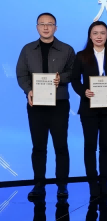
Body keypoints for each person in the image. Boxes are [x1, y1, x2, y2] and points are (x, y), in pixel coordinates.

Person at [16, 12, 75, 199]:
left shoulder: (67, 49)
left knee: (61, 146)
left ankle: (62, 185)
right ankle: (39, 184)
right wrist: (28, 90)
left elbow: (73, 72)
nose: (46, 27)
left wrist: (61, 79)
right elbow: (21, 74)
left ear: (56, 28)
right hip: (36, 105)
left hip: (59, 103)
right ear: (37, 27)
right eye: (42, 24)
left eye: (50, 24)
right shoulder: (27, 50)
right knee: (38, 147)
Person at [70, 21, 107, 198]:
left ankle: (104, 183)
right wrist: (83, 91)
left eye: (102, 33)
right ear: (90, 36)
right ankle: (93, 184)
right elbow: (74, 80)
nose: (99, 36)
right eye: (95, 33)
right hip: (89, 108)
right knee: (90, 146)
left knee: (106, 147)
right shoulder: (81, 56)